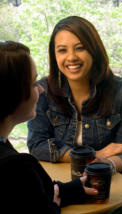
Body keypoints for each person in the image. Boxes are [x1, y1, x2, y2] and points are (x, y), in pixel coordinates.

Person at [27, 16, 122, 177]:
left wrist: (106, 163)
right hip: (58, 187)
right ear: (54, 55)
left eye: (80, 48)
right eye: (62, 50)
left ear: (94, 50)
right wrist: (94, 156)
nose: (71, 57)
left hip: (107, 185)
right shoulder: (43, 91)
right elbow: (36, 145)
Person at [0, 41, 98, 213]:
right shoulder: (16, 168)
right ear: (11, 92)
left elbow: (26, 193)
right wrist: (53, 205)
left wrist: (65, 190)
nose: (41, 90)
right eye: (33, 83)